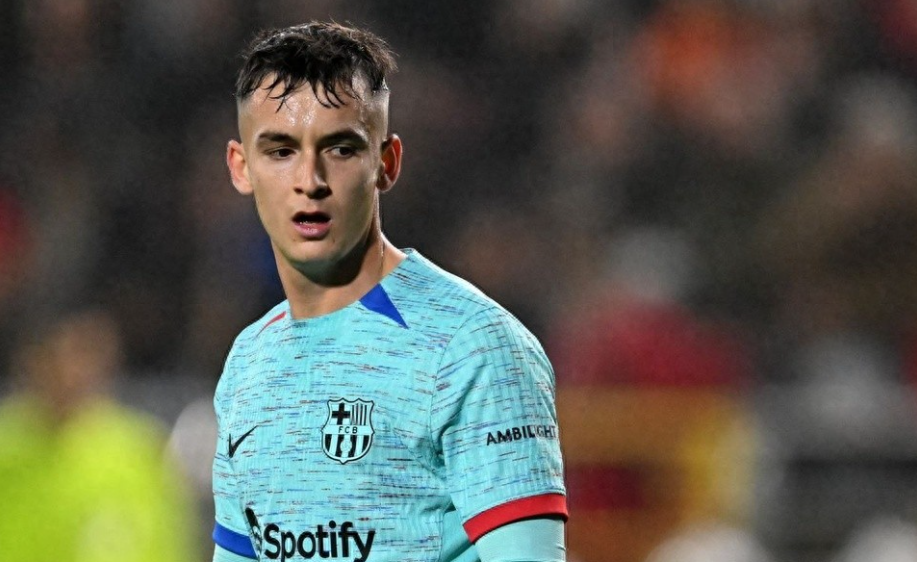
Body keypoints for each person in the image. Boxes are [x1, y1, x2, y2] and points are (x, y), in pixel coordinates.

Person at [211, 22, 568, 562]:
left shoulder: (473, 346)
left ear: (386, 162)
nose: (310, 180)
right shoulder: (248, 363)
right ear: (241, 168)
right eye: (281, 151)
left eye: (341, 148)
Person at [0, 308, 196, 562]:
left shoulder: (140, 451)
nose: (69, 372)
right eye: (55, 357)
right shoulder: (7, 447)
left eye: (82, 354)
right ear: (30, 361)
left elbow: (168, 542)